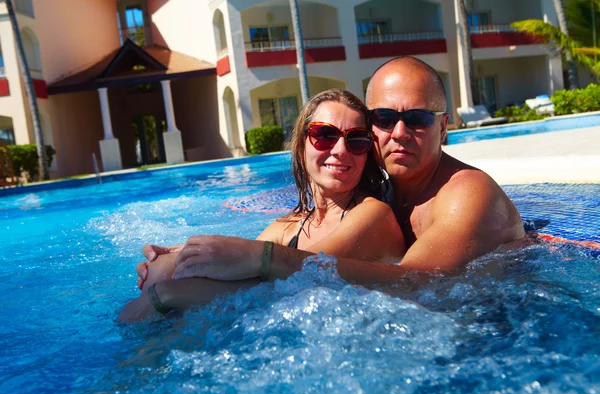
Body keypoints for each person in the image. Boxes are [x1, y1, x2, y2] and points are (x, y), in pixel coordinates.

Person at [135, 56, 525, 298]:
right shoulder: (388, 192)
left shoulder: (466, 193)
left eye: (418, 119)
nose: (399, 133)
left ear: (443, 127)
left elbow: (417, 285)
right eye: (384, 119)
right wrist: (188, 257)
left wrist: (261, 258)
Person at [119, 88, 405, 321]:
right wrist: (172, 259)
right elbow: (236, 263)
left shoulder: (372, 215)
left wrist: (166, 293)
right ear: (302, 144)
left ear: (367, 152)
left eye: (357, 139)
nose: (340, 150)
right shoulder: (290, 226)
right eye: (325, 135)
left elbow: (294, 281)